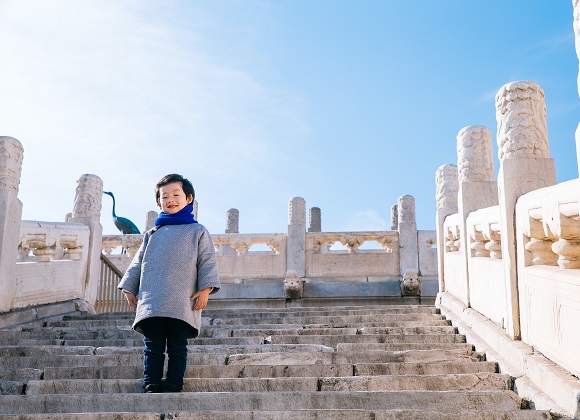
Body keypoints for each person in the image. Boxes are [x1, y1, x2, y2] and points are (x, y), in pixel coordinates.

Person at [118, 173, 220, 393]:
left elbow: (207, 261)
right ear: (158, 202)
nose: (170, 200)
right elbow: (138, 262)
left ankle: (174, 382)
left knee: (177, 346)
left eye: (176, 194)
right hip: (152, 298)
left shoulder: (197, 231)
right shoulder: (152, 234)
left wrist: (205, 289)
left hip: (182, 299)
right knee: (152, 346)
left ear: (189, 199)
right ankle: (151, 381)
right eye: (165, 197)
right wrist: (129, 287)